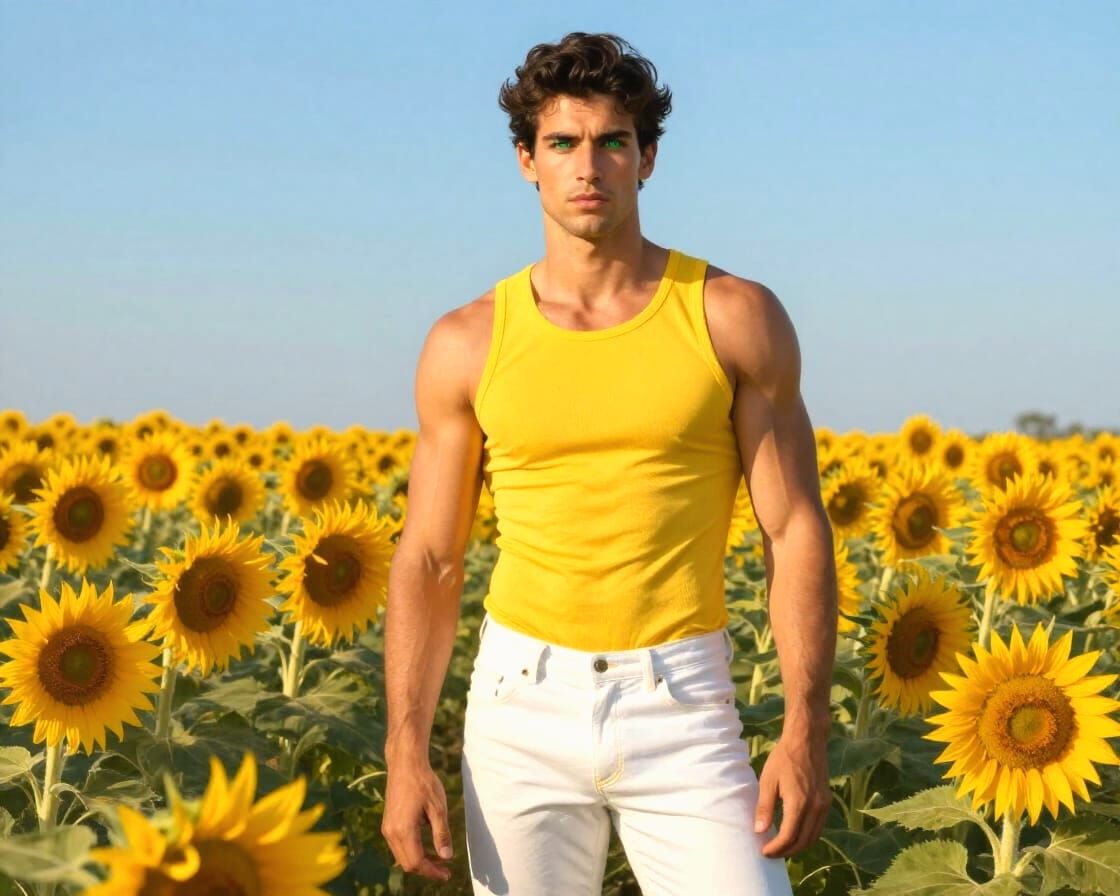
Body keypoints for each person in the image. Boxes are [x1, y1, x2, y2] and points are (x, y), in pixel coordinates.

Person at [381, 31, 837, 895]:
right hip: (521, 705)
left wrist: (803, 729)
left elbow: (794, 531)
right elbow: (431, 559)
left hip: (683, 701)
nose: (587, 165)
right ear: (527, 160)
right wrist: (406, 752)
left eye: (611, 142)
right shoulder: (466, 342)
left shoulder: (732, 316)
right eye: (562, 143)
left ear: (647, 158)